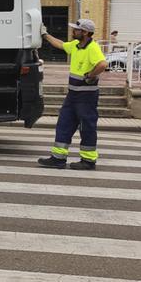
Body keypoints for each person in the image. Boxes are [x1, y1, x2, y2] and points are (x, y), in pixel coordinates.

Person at [38, 19, 107, 170]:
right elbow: (60, 44)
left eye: (76, 29)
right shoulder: (75, 46)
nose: (73, 31)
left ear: (86, 33)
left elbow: (102, 64)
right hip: (73, 95)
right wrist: (45, 34)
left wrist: (90, 76)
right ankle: (58, 158)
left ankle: (88, 161)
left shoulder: (92, 48)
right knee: (64, 124)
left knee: (86, 127)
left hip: (86, 97)